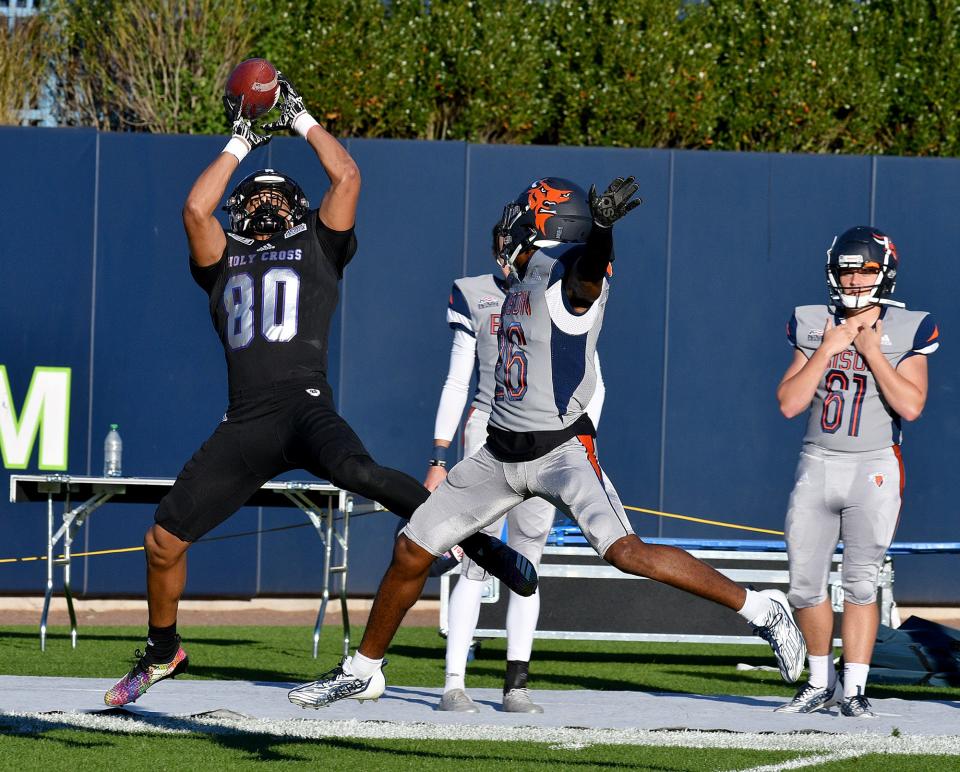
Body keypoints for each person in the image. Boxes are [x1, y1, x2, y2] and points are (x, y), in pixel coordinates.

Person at [288, 176, 807, 710]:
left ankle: (760, 608)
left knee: (626, 552)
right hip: (498, 452)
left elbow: (584, 278)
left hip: (561, 452)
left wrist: (601, 231)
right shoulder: (523, 276)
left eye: (523, 215)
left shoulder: (571, 281)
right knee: (411, 547)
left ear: (546, 223)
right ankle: (365, 669)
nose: (509, 226)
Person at [103, 73, 536, 707]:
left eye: (279, 199)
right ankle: (164, 647)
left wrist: (301, 117)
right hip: (246, 421)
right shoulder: (222, 256)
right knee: (162, 541)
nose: (268, 206)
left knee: (361, 471)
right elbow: (196, 209)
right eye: (258, 198)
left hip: (304, 406)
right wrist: (243, 142)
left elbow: (348, 178)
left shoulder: (317, 249)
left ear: (298, 208)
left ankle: (473, 543)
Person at [427, 234, 605, 714]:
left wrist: (580, 442)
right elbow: (457, 378)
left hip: (547, 433)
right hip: (489, 430)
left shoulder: (559, 291)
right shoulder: (477, 292)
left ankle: (516, 685)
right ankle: (454, 682)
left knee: (528, 559)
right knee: (474, 560)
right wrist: (439, 457)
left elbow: (594, 379)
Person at [774, 226, 939, 718]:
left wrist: (870, 352)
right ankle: (819, 682)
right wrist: (828, 348)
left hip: (873, 467)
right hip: (817, 460)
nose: (854, 279)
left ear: (884, 272)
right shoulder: (812, 322)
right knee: (804, 584)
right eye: (847, 269)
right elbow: (788, 403)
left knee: (861, 582)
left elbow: (911, 406)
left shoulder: (908, 328)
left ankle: (855, 688)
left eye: (864, 269)